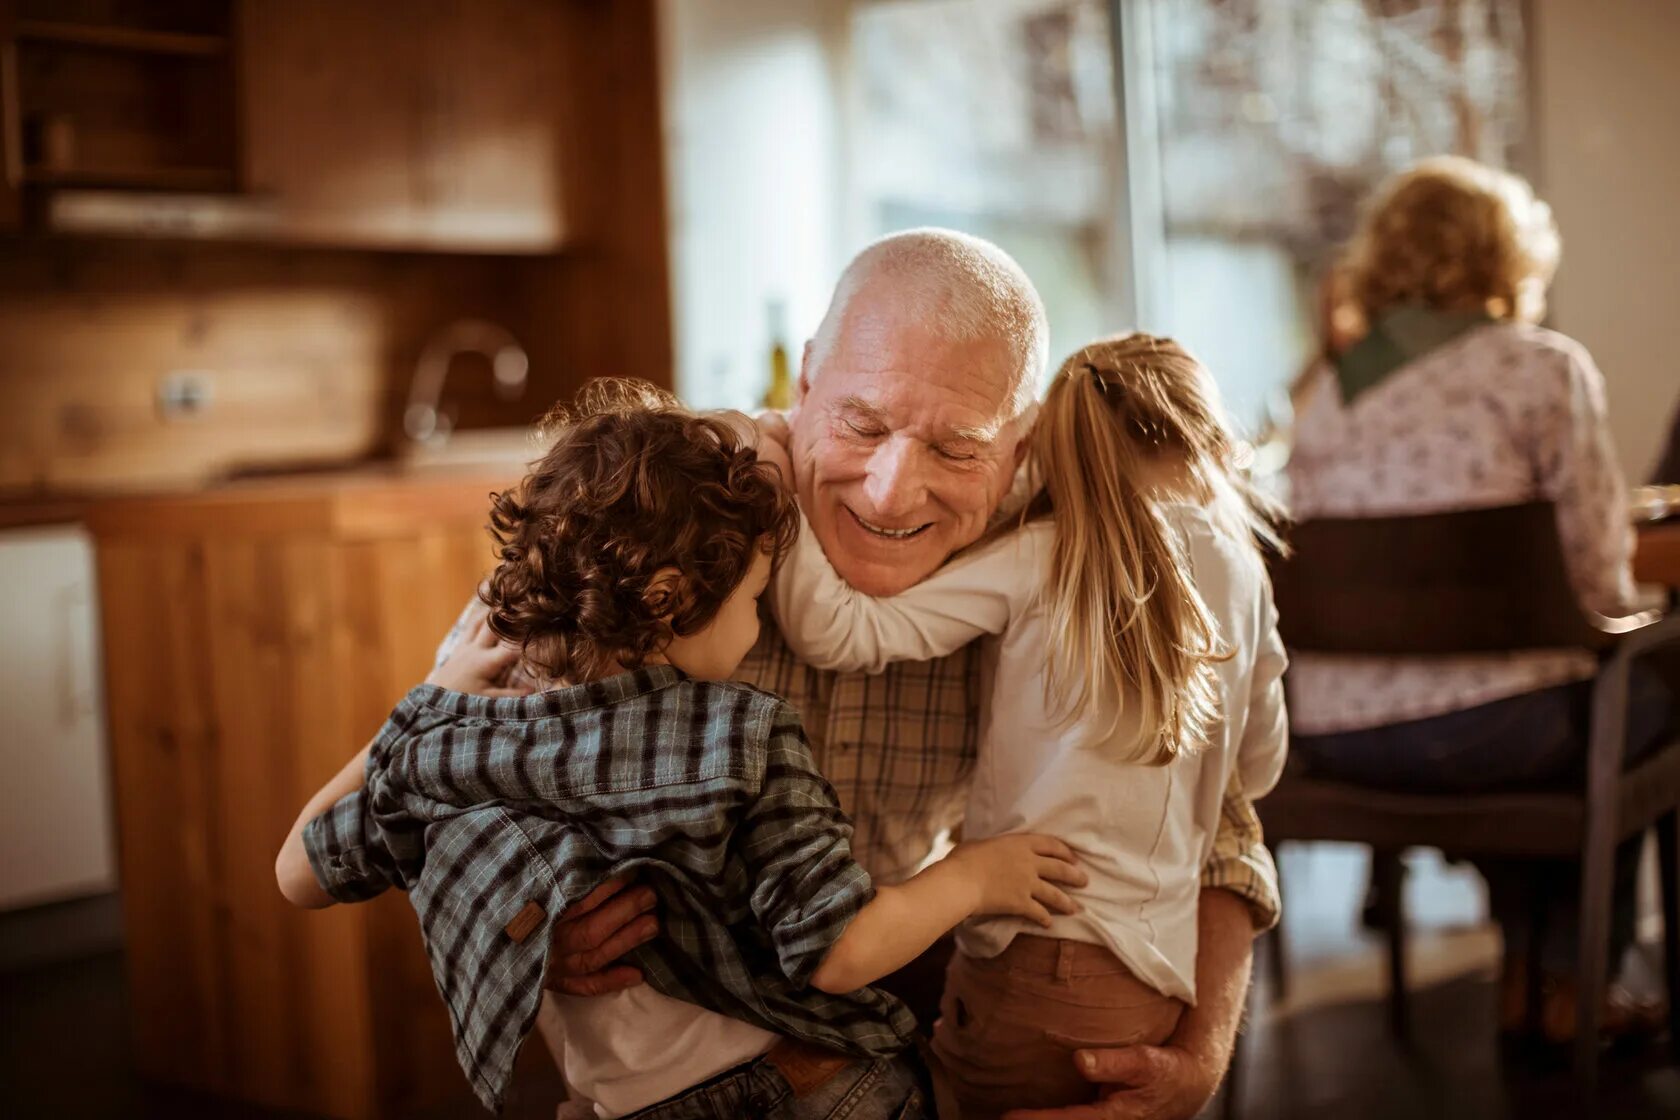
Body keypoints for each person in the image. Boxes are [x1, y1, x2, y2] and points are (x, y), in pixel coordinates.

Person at [433, 229, 1281, 1120]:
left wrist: (1196, 1053)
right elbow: (431, 773)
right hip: (651, 1077)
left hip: (891, 1026)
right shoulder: (663, 502)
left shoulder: (1053, 549)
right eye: (862, 424)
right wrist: (524, 922)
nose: (890, 491)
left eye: (957, 450)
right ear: (803, 384)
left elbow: (1220, 817)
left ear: (1021, 445)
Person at [274, 382, 1087, 1119]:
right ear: (670, 599)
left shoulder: (462, 738)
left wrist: (426, 708)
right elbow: (839, 951)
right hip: (811, 1092)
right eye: (755, 600)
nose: (760, 625)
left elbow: (297, 872)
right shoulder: (741, 737)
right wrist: (978, 875)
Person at [761, 333, 1288, 1118]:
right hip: (1153, 979)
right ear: (1210, 436)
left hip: (1029, 957)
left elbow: (837, 632)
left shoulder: (1045, 552)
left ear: (1048, 448)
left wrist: (775, 472)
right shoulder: (1245, 572)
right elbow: (1260, 769)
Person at [1286, 156, 1675, 1045]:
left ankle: (1528, 982)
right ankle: (1574, 985)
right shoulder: (1542, 367)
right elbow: (1594, 576)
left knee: (1543, 706)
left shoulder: (1327, 396)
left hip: (1338, 737)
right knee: (1630, 699)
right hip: (1500, 734)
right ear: (1507, 259)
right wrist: (1628, 621)